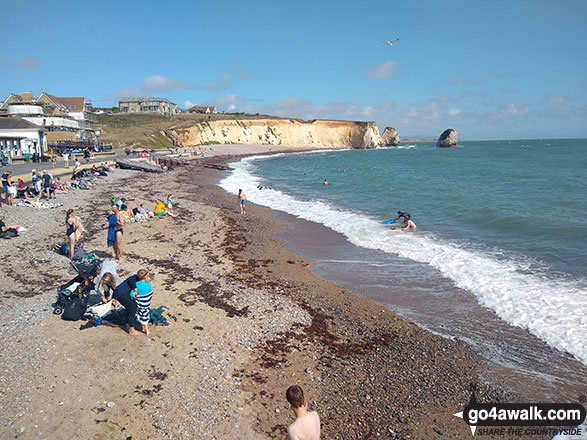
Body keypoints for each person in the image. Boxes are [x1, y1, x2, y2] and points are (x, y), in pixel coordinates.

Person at [112, 269, 147, 334]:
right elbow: (132, 283)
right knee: (132, 309)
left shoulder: (134, 277)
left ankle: (127, 324)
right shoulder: (133, 279)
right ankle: (132, 330)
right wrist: (135, 289)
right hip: (122, 294)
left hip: (118, 292)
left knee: (129, 308)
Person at [134, 271, 154, 336]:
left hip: (140, 303)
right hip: (146, 303)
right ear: (145, 277)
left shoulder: (136, 284)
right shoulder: (148, 285)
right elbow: (150, 292)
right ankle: (145, 328)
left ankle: (145, 328)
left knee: (140, 315)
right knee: (145, 315)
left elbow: (132, 294)